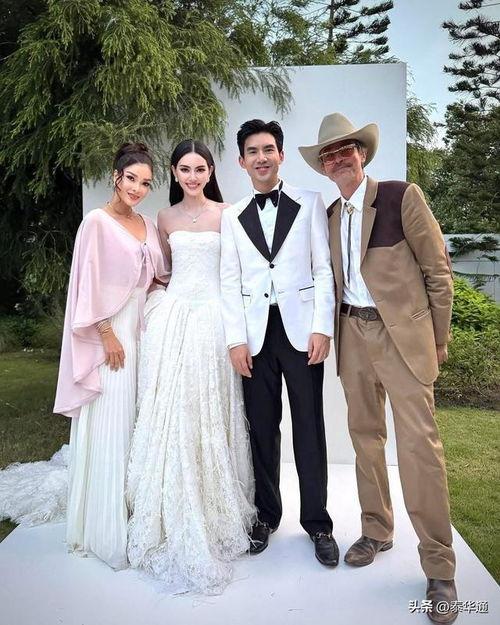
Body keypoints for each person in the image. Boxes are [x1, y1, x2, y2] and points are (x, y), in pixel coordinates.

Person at [299, 113, 457, 624]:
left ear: (362, 154)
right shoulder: (327, 216)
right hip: (352, 335)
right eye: (329, 155)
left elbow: (438, 271)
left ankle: (439, 567)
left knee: (419, 448)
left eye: (346, 150)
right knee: (365, 438)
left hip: (402, 339)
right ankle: (376, 531)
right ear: (323, 167)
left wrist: (438, 338)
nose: (338, 159)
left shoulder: (400, 196)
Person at [125, 140, 256, 595]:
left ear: (211, 171)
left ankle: (215, 498)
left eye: (200, 169)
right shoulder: (163, 218)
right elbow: (161, 270)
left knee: (211, 405)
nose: (193, 176)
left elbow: (236, 271)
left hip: (214, 320)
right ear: (174, 172)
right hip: (176, 318)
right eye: (185, 169)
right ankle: (166, 498)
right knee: (174, 406)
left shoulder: (228, 214)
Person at [220, 119, 338, 567]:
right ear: (242, 161)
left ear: (281, 155)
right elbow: (229, 281)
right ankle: (266, 516)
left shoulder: (309, 202)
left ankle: (318, 524)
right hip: (255, 337)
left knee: (309, 426)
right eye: (253, 151)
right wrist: (236, 340)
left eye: (268, 149)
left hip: (301, 331)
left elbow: (323, 269)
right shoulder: (232, 216)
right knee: (261, 430)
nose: (262, 157)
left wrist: (322, 327)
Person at [53, 142, 169, 570]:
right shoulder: (96, 223)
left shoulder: (148, 224)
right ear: (116, 177)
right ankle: (105, 529)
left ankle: (133, 515)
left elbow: (156, 278)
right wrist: (106, 334)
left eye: (145, 183)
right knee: (112, 423)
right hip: (110, 335)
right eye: (131, 178)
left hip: (141, 332)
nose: (137, 188)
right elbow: (86, 283)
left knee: (136, 423)